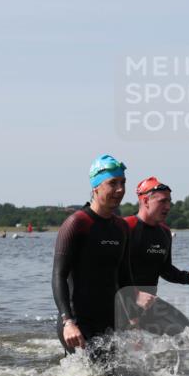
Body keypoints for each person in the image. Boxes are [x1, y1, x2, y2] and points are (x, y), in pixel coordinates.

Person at [52, 154, 135, 359]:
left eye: (123, 183)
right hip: (78, 323)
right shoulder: (76, 224)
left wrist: (133, 315)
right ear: (96, 187)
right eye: (112, 183)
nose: (120, 189)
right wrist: (68, 322)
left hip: (110, 320)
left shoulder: (121, 227)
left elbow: (125, 276)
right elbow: (58, 276)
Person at [125, 176, 189, 335]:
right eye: (162, 201)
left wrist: (187, 277)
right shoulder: (125, 228)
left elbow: (165, 269)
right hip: (121, 302)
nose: (168, 206)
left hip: (147, 304)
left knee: (188, 334)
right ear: (145, 201)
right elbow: (108, 270)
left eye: (169, 201)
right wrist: (134, 296)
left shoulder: (164, 233)